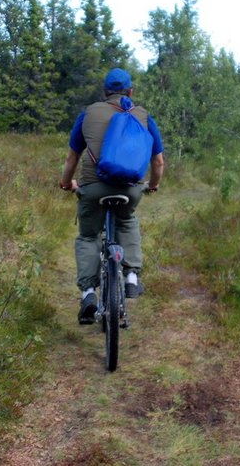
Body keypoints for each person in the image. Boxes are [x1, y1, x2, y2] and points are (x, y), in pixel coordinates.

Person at [58, 68, 165, 324]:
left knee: (88, 235)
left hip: (94, 188)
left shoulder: (88, 114)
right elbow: (158, 162)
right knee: (127, 221)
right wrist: (151, 185)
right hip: (129, 188)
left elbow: (72, 157)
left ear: (104, 92)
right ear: (130, 91)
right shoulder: (142, 116)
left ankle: (87, 294)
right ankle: (130, 278)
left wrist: (65, 183)